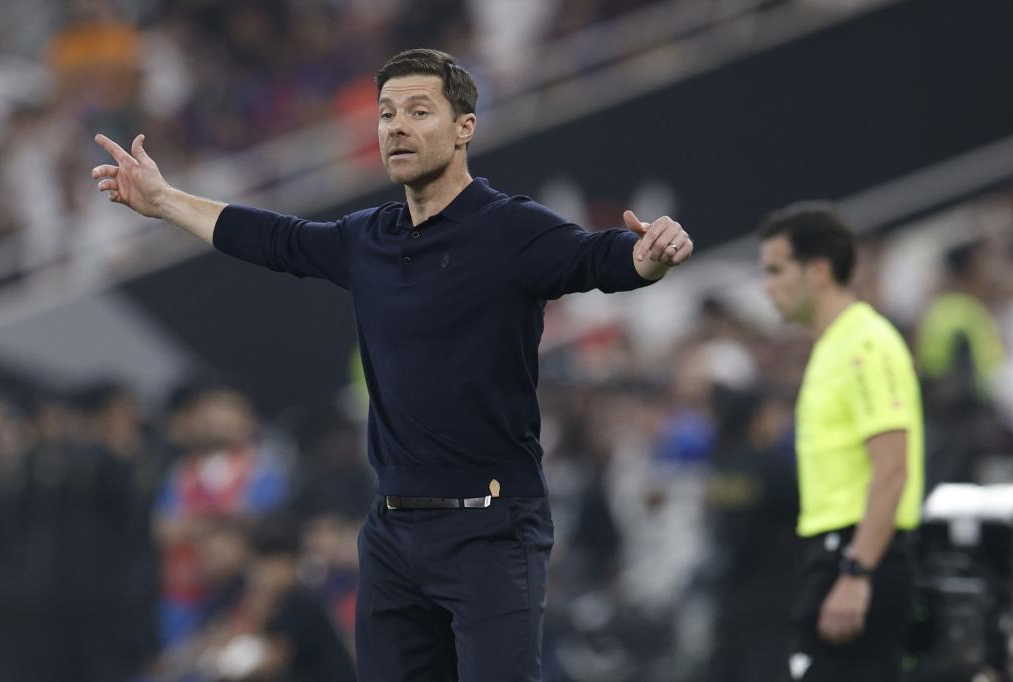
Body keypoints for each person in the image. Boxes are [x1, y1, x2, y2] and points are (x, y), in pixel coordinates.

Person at [91, 48, 693, 681]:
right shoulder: (366, 237)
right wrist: (164, 201)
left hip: (491, 526)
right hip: (392, 530)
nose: (397, 126)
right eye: (386, 114)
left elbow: (599, 257)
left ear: (464, 127)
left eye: (419, 111)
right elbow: (274, 238)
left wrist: (650, 256)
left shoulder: (510, 229)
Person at [758, 203, 924, 681]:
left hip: (859, 554)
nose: (767, 287)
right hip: (835, 552)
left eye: (776, 270)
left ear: (817, 271)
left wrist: (857, 572)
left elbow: (893, 468)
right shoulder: (833, 346)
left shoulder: (865, 344)